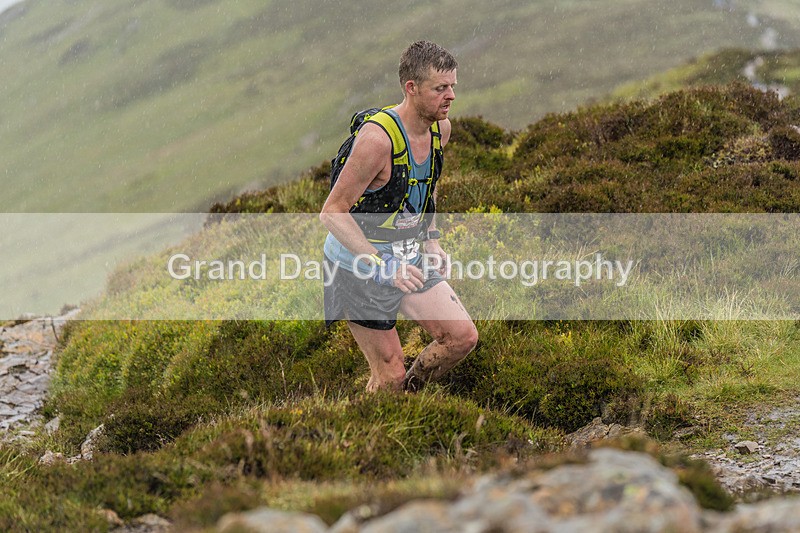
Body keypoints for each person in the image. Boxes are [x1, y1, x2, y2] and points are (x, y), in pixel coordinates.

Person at [319, 40, 478, 393]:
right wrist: (381, 265)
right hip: (356, 264)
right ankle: (374, 426)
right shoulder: (377, 141)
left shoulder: (441, 129)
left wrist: (431, 239)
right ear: (412, 87)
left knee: (461, 337)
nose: (451, 95)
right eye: (441, 88)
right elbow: (332, 213)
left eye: (453, 86)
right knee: (388, 374)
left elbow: (427, 186)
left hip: (407, 255)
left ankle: (409, 398)